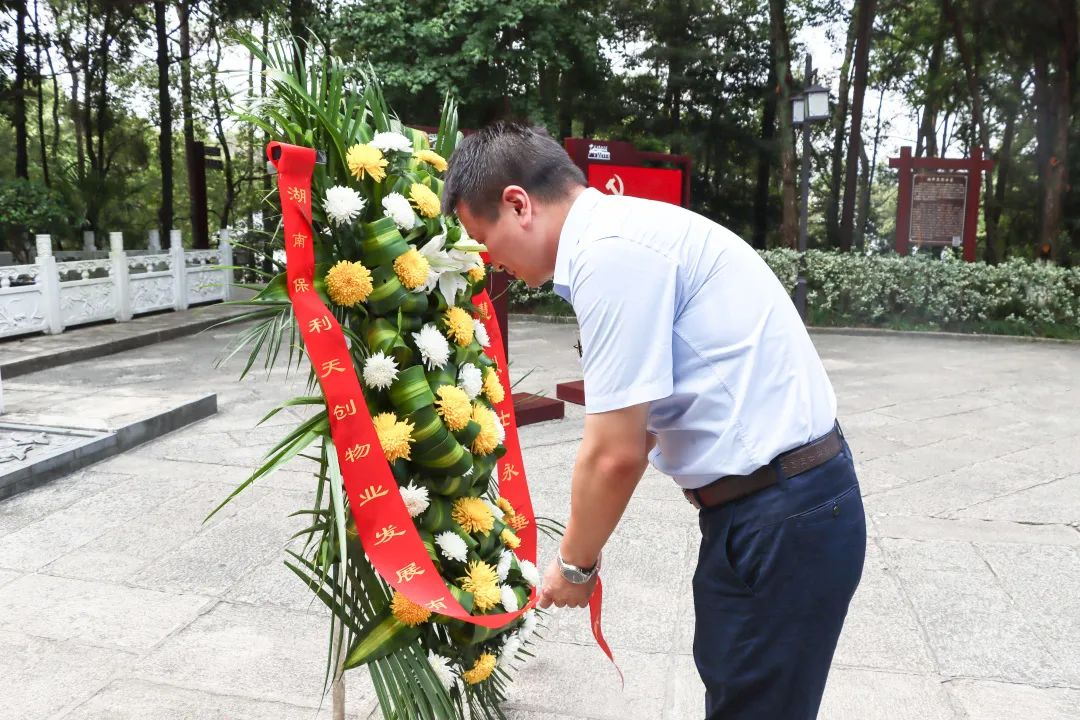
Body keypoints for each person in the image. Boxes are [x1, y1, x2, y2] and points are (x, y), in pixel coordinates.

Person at [442, 122, 866, 720]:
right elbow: (634, 428)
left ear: (519, 204)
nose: (493, 261)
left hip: (785, 512)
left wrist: (573, 564)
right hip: (772, 506)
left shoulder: (611, 254)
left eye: (485, 238)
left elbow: (616, 451)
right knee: (739, 688)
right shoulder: (624, 234)